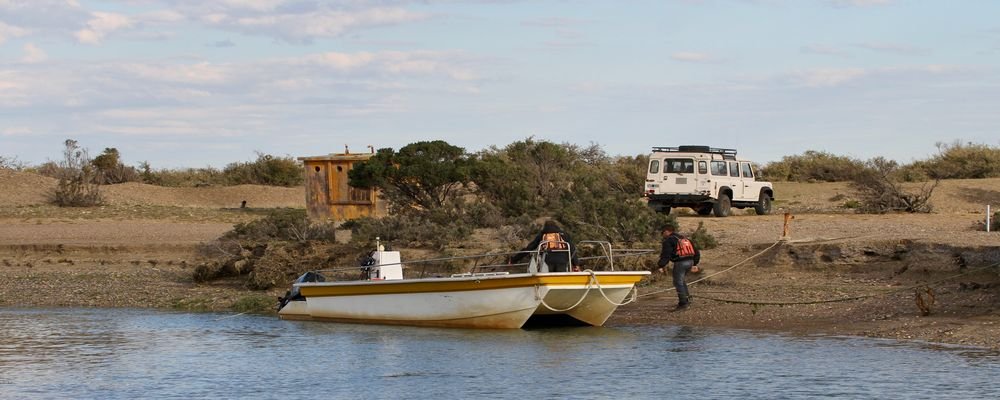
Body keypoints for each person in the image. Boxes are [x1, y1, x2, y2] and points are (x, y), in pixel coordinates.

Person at [657, 222, 701, 310]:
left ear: (666, 231)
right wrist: (695, 263)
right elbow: (696, 252)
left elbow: (666, 255)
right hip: (690, 261)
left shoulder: (669, 240)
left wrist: (661, 265)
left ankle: (683, 303)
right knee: (681, 281)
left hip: (680, 263)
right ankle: (688, 299)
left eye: (662, 233)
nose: (662, 235)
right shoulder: (685, 239)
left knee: (678, 282)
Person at [511, 220, 581, 272]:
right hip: (562, 261)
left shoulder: (542, 235)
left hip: (547, 261)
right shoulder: (564, 234)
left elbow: (529, 248)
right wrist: (576, 264)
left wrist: (514, 260)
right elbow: (572, 249)